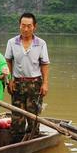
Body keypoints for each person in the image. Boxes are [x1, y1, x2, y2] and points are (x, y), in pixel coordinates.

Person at [5, 13, 50, 142]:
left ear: (34, 27)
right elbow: (8, 61)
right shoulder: (12, 42)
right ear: (19, 26)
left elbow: (45, 64)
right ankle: (17, 142)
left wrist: (45, 83)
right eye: (23, 26)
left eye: (29, 26)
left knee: (33, 116)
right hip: (17, 83)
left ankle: (32, 140)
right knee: (17, 116)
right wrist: (10, 80)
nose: (25, 29)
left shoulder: (41, 43)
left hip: (35, 83)